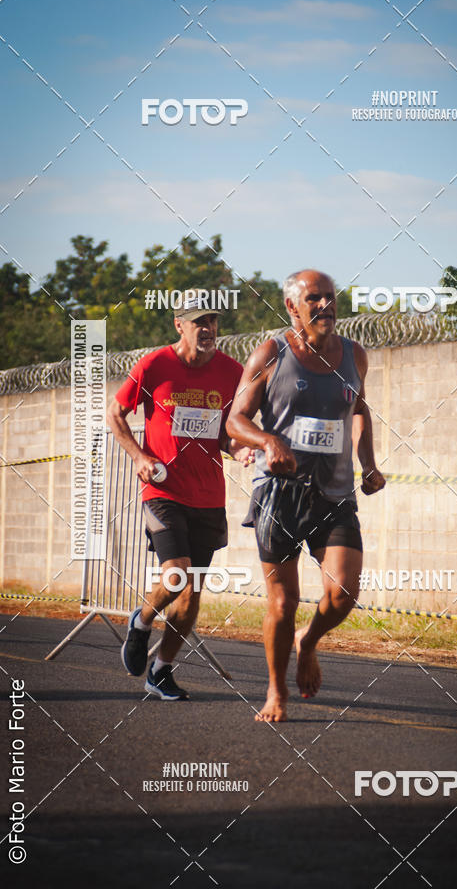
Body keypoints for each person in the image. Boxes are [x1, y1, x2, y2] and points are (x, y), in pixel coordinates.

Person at [226, 269, 385, 722]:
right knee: (282, 603)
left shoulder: (354, 355)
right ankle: (276, 692)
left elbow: (359, 409)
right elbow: (235, 420)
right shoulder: (270, 354)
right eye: (314, 298)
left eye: (330, 297)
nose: (325, 305)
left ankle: (308, 640)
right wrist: (268, 441)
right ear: (292, 306)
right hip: (279, 495)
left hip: (334, 494)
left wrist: (369, 463)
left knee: (343, 593)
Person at [107, 293, 252, 700]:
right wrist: (138, 456)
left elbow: (226, 433)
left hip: (208, 496)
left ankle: (161, 670)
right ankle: (141, 621)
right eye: (198, 321)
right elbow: (116, 413)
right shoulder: (155, 365)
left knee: (190, 596)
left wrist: (240, 449)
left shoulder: (232, 372)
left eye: (212, 321)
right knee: (176, 574)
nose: (207, 328)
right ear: (179, 325)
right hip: (163, 489)